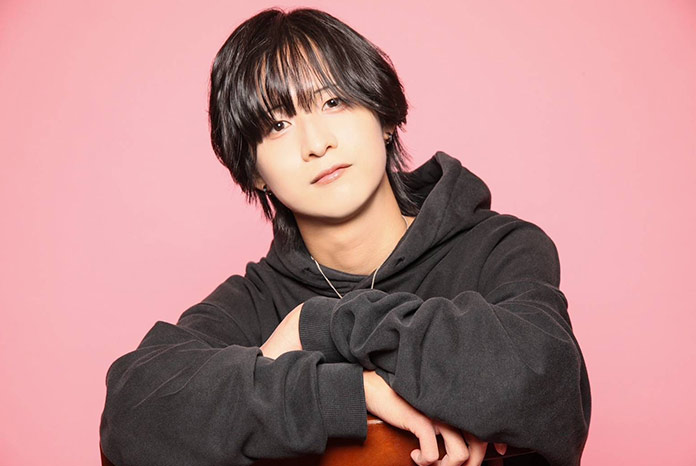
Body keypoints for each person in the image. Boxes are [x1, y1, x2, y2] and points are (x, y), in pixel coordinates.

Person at [100, 7, 590, 466]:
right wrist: (347, 392)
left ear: (385, 116)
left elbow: (549, 387)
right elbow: (131, 418)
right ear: (255, 173)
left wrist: (318, 328)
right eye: (277, 125)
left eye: (333, 102)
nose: (317, 144)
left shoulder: (497, 248)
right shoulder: (254, 301)